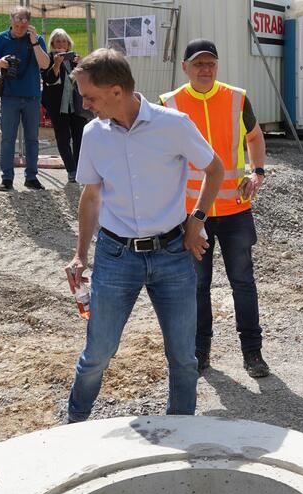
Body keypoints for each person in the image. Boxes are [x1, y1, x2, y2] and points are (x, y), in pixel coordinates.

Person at [64, 48, 223, 422]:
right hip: (116, 258)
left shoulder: (174, 125)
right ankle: (74, 425)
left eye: (90, 97)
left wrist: (196, 220)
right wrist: (79, 254)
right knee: (98, 353)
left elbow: (214, 169)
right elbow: (90, 195)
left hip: (172, 255)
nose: (85, 105)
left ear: (116, 91)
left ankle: (180, 429)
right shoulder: (93, 134)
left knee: (183, 356)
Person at [160, 38, 270, 379]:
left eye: (210, 64)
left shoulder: (236, 97)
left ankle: (252, 353)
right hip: (193, 216)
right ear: (185, 68)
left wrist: (258, 170)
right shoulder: (170, 103)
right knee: (197, 286)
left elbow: (254, 137)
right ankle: (200, 350)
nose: (205, 70)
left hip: (236, 209)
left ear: (217, 66)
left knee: (243, 282)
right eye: (198, 64)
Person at [0, 6, 49, 191]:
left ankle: (31, 177)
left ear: (29, 23)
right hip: (9, 97)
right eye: (17, 20)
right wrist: (1, 62)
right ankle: (7, 178)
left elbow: (45, 64)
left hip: (32, 96)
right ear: (11, 20)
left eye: (24, 21)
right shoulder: (1, 39)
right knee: (7, 139)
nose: (20, 25)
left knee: (32, 139)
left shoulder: (37, 40)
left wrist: (35, 43)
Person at [41, 27, 88, 184]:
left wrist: (81, 65)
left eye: (64, 41)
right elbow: (49, 80)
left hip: (76, 104)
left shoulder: (75, 58)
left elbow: (87, 80)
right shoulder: (47, 59)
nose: (61, 44)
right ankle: (71, 170)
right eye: (57, 41)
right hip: (58, 105)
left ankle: (79, 170)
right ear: (52, 44)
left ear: (68, 44)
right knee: (62, 138)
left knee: (79, 137)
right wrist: (56, 65)